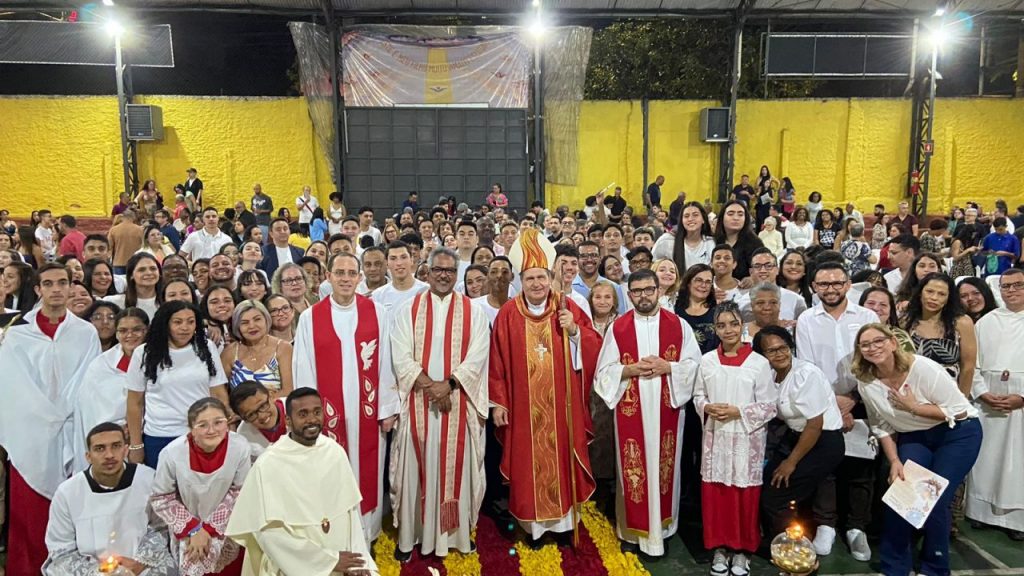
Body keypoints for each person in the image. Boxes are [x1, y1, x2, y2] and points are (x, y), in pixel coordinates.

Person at [489, 228, 601, 544]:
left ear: (551, 278)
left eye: (541, 277)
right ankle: (534, 528)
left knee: (563, 458)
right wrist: (499, 402)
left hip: (563, 406)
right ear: (520, 281)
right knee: (528, 464)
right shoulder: (508, 314)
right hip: (524, 409)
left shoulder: (567, 307)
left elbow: (595, 345)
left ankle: (564, 525)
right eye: (530, 278)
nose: (537, 284)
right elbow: (496, 361)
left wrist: (575, 331)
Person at [852, 323, 981, 576]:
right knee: (903, 494)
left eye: (878, 341)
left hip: (957, 433)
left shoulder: (923, 368)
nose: (872, 348)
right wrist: (894, 460)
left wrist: (913, 407)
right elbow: (881, 424)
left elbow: (959, 410)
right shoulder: (865, 382)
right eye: (865, 344)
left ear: (893, 343)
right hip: (915, 436)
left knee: (934, 499)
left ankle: (935, 568)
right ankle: (894, 566)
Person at [0, 263, 102, 575]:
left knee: (72, 509)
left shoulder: (86, 333)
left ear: (71, 287)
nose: (56, 289)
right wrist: (46, 417)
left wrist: (65, 413)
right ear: (37, 289)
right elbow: (13, 387)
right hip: (30, 435)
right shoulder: (17, 334)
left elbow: (90, 381)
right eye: (48, 283)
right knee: (29, 515)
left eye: (62, 282)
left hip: (74, 428)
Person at [389, 247, 490, 560]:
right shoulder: (408, 309)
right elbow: (399, 355)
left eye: (449, 270)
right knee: (413, 470)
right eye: (438, 270)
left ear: (456, 274)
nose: (444, 275)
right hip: (418, 403)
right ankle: (411, 538)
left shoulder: (474, 311)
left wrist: (449, 385)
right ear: (427, 272)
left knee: (457, 470)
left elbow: (478, 355)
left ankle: (455, 538)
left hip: (458, 402)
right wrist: (431, 386)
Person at [293, 251, 399, 543]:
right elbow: (304, 367)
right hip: (329, 415)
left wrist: (387, 408)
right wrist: (308, 416)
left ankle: (368, 534)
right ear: (328, 277)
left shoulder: (377, 312)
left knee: (369, 470)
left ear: (359, 277)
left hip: (368, 412)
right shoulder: (310, 318)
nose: (345, 278)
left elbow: (387, 362)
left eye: (352, 273)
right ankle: (338, 534)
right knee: (331, 471)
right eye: (339, 273)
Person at [593, 269, 700, 557]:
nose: (644, 296)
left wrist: (669, 367)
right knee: (633, 470)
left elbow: (694, 366)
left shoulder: (679, 326)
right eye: (637, 291)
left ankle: (662, 530)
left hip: (668, 411)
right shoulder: (618, 328)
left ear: (658, 291)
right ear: (629, 295)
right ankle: (631, 531)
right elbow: (603, 373)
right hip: (632, 412)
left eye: (649, 289)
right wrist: (628, 370)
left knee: (664, 468)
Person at [226, 387, 379, 575]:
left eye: (317, 412)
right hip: (296, 567)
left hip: (344, 562)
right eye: (303, 414)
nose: (312, 419)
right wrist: (327, 561)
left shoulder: (335, 451)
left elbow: (351, 514)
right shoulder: (267, 465)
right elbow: (267, 534)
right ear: (288, 420)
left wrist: (359, 563)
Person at [795, 261, 879, 558]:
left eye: (836, 283)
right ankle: (826, 524)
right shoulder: (807, 319)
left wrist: (852, 399)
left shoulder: (867, 316)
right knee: (825, 466)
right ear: (814, 287)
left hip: (862, 399)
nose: (830, 289)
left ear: (847, 285)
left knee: (861, 467)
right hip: (823, 402)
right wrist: (833, 405)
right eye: (823, 284)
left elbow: (874, 362)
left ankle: (857, 528)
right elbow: (807, 366)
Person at [694, 301, 776, 576]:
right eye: (721, 325)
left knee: (744, 496)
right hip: (715, 438)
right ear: (715, 329)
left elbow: (769, 406)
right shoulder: (707, 361)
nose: (728, 330)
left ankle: (742, 551)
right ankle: (719, 547)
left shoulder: (758, 363)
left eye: (733, 323)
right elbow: (698, 395)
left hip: (746, 440)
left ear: (742, 325)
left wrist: (738, 411)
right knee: (716, 495)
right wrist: (707, 407)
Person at [43, 423, 175, 576]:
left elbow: (161, 528)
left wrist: (138, 564)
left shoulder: (148, 479)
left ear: (126, 450)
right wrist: (101, 573)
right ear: (88, 456)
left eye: (116, 446)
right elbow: (61, 549)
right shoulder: (67, 492)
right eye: (100, 448)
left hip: (141, 567)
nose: (109, 455)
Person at [751, 326, 845, 542]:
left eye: (783, 348)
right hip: (795, 437)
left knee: (777, 494)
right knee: (767, 482)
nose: (779, 354)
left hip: (822, 442)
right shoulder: (770, 375)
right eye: (771, 351)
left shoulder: (805, 373)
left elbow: (815, 424)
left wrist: (791, 462)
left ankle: (791, 547)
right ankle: (777, 539)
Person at [151, 398, 250, 576]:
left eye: (218, 422)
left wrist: (210, 529)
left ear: (227, 422)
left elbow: (240, 492)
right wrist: (194, 529)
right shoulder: (172, 453)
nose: (212, 430)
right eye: (203, 425)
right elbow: (161, 498)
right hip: (188, 529)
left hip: (227, 526)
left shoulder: (240, 446)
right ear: (191, 428)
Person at [126, 300, 231, 467]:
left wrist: (224, 428)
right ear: (165, 324)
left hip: (203, 432)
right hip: (160, 436)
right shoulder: (144, 353)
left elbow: (218, 393)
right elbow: (134, 402)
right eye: (177, 322)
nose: (185, 327)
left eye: (190, 322)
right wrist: (136, 445)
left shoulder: (207, 348)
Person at [966, 269, 1024, 540]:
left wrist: (1021, 398)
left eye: (1018, 285)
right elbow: (972, 364)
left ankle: (1016, 519)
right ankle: (980, 513)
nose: (1011, 291)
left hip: (1020, 403)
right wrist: (982, 393)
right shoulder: (986, 322)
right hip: (988, 400)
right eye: (1006, 286)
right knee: (986, 458)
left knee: (1017, 462)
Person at [74, 307, 150, 471]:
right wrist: (116, 430)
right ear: (116, 334)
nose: (130, 335)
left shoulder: (160, 360)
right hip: (112, 441)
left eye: (137, 330)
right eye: (123, 330)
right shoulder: (101, 365)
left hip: (152, 434)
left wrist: (136, 428)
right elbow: (90, 410)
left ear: (147, 330)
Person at [902, 273, 977, 396]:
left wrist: (962, 400)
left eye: (941, 294)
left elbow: (968, 367)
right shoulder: (906, 322)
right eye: (929, 291)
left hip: (949, 395)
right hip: (912, 393)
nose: (934, 298)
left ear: (949, 298)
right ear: (920, 293)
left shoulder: (962, 323)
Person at [222, 299, 294, 398]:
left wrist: (259, 405)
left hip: (277, 406)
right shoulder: (229, 353)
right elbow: (220, 393)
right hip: (239, 408)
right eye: (245, 323)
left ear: (266, 320)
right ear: (237, 326)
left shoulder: (283, 348)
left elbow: (288, 391)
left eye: (257, 319)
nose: (252, 326)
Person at [229, 380, 287, 461]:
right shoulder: (244, 437)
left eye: (262, 406)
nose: (262, 416)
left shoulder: (297, 408)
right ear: (244, 419)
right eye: (251, 415)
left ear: (271, 396)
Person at [714, 201, 764, 283]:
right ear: (722, 217)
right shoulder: (713, 241)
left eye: (740, 215)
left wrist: (752, 278)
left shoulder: (755, 243)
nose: (736, 218)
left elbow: (763, 269)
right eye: (730, 214)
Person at [103, 252, 161, 319]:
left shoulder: (167, 300)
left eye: (153, 269)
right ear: (131, 275)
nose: (149, 273)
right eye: (141, 270)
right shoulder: (113, 302)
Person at [108, 209, 145, 274]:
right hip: (135, 262)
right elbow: (144, 246)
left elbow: (109, 246)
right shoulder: (140, 230)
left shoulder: (113, 230)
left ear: (122, 217)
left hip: (118, 262)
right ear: (133, 217)